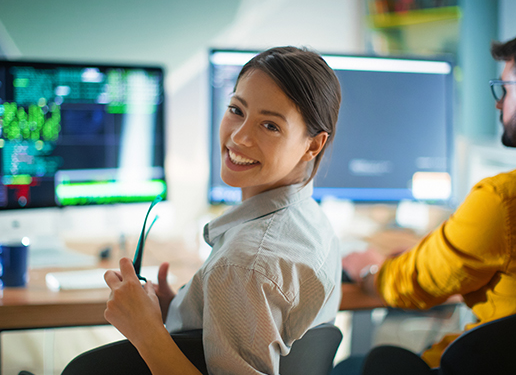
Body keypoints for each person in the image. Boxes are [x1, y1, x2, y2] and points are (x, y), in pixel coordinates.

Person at [102, 47, 342, 375]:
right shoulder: (313, 221)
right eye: (236, 109)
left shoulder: (245, 263)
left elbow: (248, 272)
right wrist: (185, 313)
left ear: (313, 145)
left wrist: (145, 332)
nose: (239, 136)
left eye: (270, 126)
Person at [341, 36, 516, 372]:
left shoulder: (502, 201)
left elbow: (416, 283)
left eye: (504, 88)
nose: (498, 103)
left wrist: (369, 269)